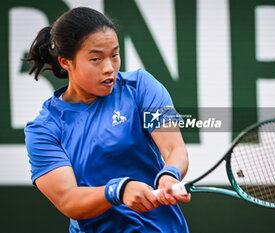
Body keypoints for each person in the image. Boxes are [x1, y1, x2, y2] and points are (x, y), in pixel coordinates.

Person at [23, 7, 190, 233]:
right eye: (96, 59)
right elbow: (69, 201)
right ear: (65, 62)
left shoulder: (141, 86)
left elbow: (174, 148)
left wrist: (170, 174)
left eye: (114, 55)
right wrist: (119, 190)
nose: (109, 68)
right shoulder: (44, 130)